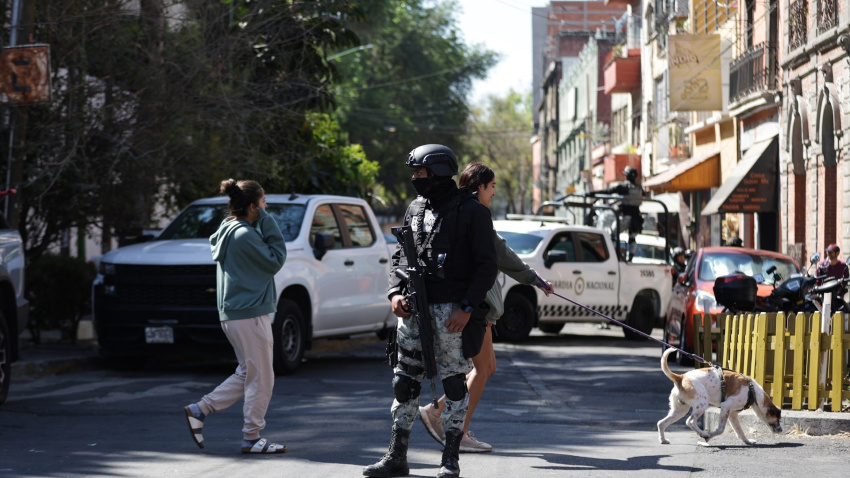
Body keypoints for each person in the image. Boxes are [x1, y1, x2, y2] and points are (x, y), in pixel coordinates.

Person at [363, 145, 498, 478]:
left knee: (454, 383)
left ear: (437, 172)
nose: (415, 180)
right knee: (404, 382)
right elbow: (400, 257)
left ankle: (450, 458)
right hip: (413, 312)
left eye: (419, 173)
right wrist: (395, 292)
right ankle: (397, 456)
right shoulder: (415, 208)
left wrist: (466, 308)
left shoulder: (473, 212)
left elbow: (486, 266)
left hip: (452, 313)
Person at [417, 162, 554, 454]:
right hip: (472, 306)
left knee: (488, 367)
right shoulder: (474, 214)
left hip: (478, 307)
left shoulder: (460, 210)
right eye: (491, 187)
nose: (493, 193)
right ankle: (454, 428)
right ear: (480, 187)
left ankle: (438, 412)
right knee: (480, 370)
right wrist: (534, 279)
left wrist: (534, 279)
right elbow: (501, 253)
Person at [183, 179, 288, 454]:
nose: (267, 209)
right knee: (262, 377)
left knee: (248, 373)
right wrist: (266, 219)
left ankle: (200, 409)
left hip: (235, 313)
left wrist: (259, 217)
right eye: (264, 204)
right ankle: (252, 437)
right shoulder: (245, 235)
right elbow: (277, 258)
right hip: (249, 313)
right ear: (253, 206)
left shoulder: (228, 228)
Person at [587, 165, 644, 261]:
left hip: (624, 216)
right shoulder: (639, 188)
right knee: (632, 238)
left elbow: (608, 191)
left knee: (613, 235)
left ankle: (613, 255)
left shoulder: (623, 186)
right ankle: (630, 257)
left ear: (626, 176)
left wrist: (591, 193)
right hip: (636, 218)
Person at [817, 243, 850, 308]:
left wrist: (841, 294)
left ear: (837, 253)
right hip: (824, 297)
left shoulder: (843, 266)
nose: (828, 254)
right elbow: (818, 281)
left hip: (838, 297)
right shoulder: (823, 265)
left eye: (831, 252)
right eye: (827, 252)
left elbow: (845, 282)